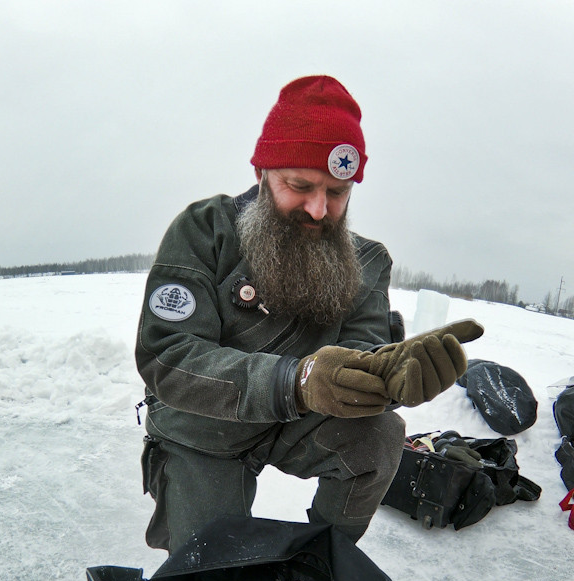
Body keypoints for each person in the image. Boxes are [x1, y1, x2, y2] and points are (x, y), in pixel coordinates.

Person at [136, 75, 482, 553]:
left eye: (337, 193)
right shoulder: (205, 230)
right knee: (210, 572)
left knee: (379, 436)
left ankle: (322, 560)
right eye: (299, 185)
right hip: (204, 429)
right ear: (263, 174)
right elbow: (168, 356)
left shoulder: (366, 262)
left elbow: (362, 352)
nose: (319, 210)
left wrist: (388, 376)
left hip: (298, 422)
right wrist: (293, 381)